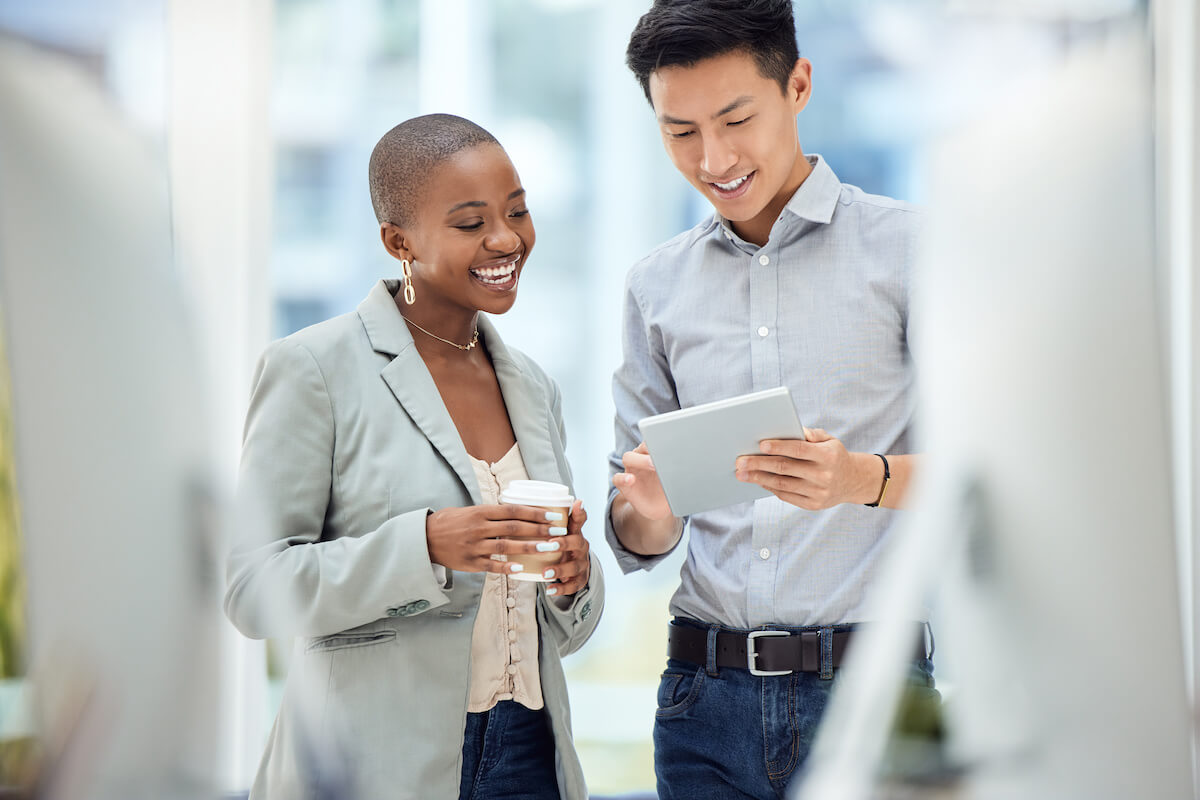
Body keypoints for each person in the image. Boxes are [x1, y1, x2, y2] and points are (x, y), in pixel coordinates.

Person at [605, 2, 934, 798]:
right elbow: (637, 533)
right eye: (681, 132)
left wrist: (859, 479)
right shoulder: (656, 285)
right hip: (701, 698)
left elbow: (988, 474)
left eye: (735, 119)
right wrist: (650, 508)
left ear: (799, 85)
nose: (713, 158)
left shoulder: (910, 250)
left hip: (872, 693)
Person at [225, 113, 603, 800]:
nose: (506, 239)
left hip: (531, 755)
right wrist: (424, 547)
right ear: (399, 241)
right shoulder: (313, 368)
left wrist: (572, 581)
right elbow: (253, 590)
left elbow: (560, 634)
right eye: (471, 223)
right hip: (374, 761)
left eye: (517, 212)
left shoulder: (532, 385)